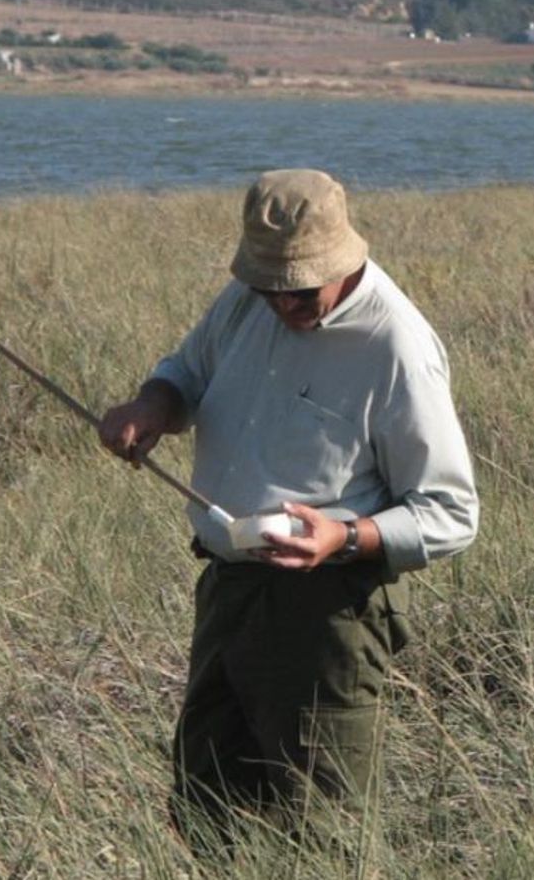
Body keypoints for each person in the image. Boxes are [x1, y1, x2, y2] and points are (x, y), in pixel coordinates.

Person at [97, 168, 478, 851]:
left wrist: (344, 536)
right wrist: (152, 406)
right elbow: (187, 372)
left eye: (301, 289)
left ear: (344, 259)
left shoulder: (397, 346)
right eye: (271, 287)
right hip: (228, 591)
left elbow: (451, 513)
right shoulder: (251, 298)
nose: (284, 303)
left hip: (327, 612)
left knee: (326, 829)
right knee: (207, 807)